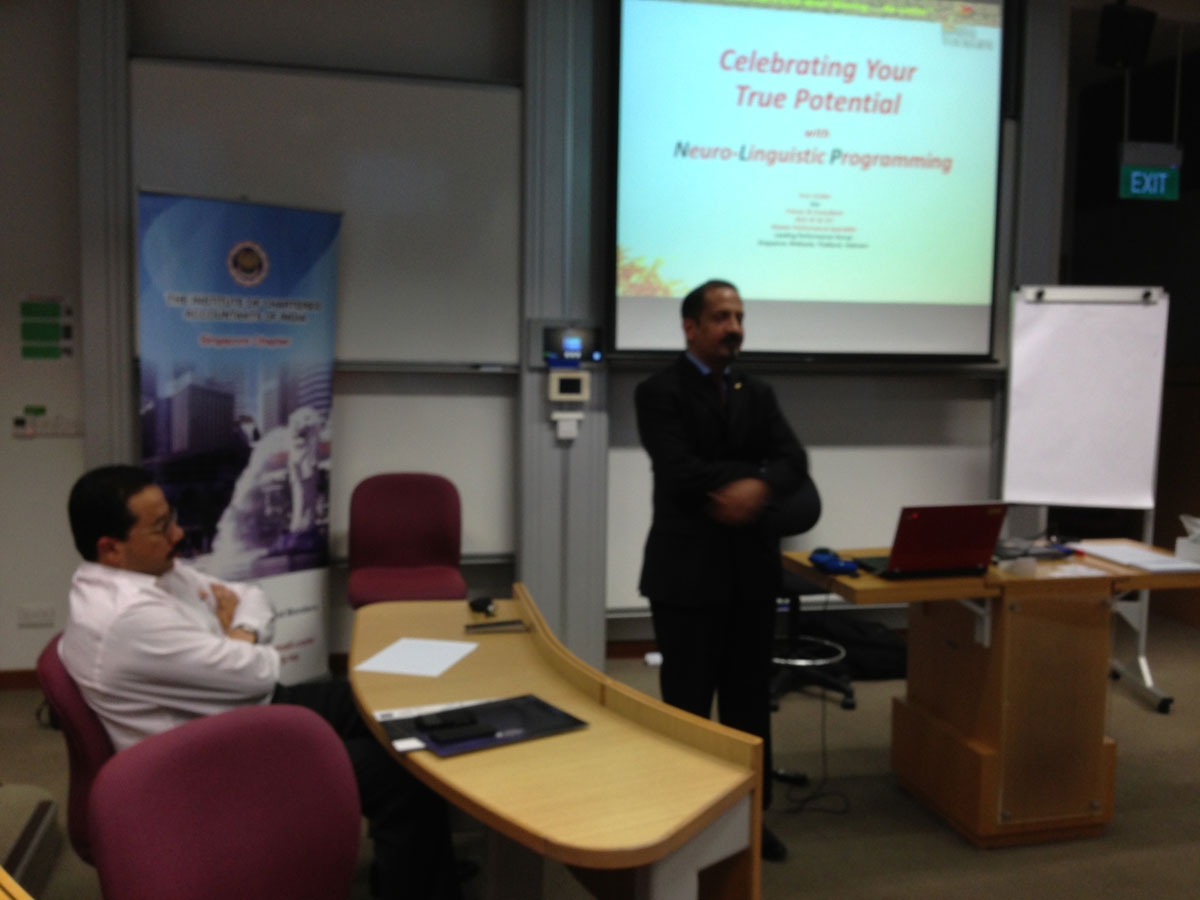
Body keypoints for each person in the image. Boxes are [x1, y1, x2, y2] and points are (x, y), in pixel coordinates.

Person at [61, 464, 461, 900]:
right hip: (209, 761)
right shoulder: (129, 617)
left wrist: (237, 632)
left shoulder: (152, 572)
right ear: (111, 548)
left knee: (386, 708)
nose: (178, 534)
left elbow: (251, 596)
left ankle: (424, 868)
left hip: (240, 713)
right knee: (399, 773)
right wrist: (239, 639)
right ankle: (421, 882)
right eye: (161, 527)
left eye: (171, 518)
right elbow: (258, 671)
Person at [635, 279, 808, 862]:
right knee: (687, 704)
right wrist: (751, 477)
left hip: (751, 574)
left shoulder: (757, 391)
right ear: (690, 326)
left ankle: (751, 821)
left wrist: (754, 485)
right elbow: (678, 471)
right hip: (686, 574)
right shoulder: (658, 391)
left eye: (738, 316)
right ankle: (686, 823)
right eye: (720, 317)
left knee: (748, 706)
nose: (733, 327)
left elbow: (794, 461)